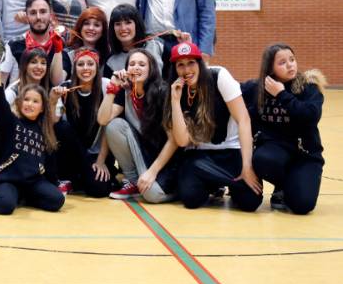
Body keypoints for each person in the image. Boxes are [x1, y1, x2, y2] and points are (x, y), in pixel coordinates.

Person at [164, 42, 262, 211]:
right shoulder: (176, 89)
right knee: (191, 199)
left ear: (199, 63)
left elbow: (244, 120)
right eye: (181, 65)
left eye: (191, 63)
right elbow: (182, 141)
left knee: (251, 201)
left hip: (231, 151)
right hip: (199, 156)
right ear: (175, 69)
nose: (187, 70)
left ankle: (223, 183)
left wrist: (247, 166)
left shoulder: (219, 76)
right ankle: (216, 184)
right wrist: (175, 100)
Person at [0, 65, 64, 215]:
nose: (29, 104)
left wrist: (52, 185)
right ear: (20, 103)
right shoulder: (12, 122)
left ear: (42, 108)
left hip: (34, 182)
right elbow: (1, 105)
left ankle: (24, 198)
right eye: (26, 100)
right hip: (9, 180)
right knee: (6, 205)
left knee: (57, 200)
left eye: (35, 101)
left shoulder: (44, 130)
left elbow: (49, 163)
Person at [245, 44, 327, 214]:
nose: (290, 65)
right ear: (270, 68)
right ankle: (281, 186)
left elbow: (311, 116)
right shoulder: (257, 89)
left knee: (302, 205)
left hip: (305, 155)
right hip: (275, 151)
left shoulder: (308, 87)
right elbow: (227, 87)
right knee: (262, 159)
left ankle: (292, 186)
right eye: (282, 62)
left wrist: (282, 95)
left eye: (292, 59)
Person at [98, 49, 178, 202]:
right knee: (114, 126)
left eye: (142, 64)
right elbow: (103, 119)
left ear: (151, 69)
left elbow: (173, 141)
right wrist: (112, 87)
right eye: (132, 64)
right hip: (144, 151)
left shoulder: (162, 92)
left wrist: (152, 172)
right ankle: (134, 181)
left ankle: (178, 190)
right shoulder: (126, 91)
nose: (136, 67)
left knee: (153, 195)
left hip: (167, 158)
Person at [52, 49, 115, 197]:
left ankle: (81, 177)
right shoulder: (66, 87)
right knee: (62, 127)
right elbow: (54, 121)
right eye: (80, 64)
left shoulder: (106, 86)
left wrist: (101, 161)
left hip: (97, 153)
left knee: (99, 190)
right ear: (74, 68)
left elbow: (109, 126)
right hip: (72, 152)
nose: (85, 68)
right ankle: (69, 176)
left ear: (97, 66)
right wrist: (53, 100)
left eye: (90, 64)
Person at [0, 0, 64, 86]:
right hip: (18, 94)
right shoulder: (13, 44)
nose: (38, 17)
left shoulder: (58, 43)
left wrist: (58, 50)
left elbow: (57, 83)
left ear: (50, 15)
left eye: (43, 12)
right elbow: (1, 81)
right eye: (33, 13)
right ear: (27, 16)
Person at [104, 4, 168, 80]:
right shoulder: (111, 61)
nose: (123, 28)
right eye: (118, 24)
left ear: (137, 24)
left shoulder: (156, 45)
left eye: (128, 22)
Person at [63, 6, 109, 75]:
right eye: (86, 23)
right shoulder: (67, 54)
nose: (91, 28)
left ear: (103, 31)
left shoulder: (108, 58)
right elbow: (59, 79)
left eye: (96, 25)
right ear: (80, 27)